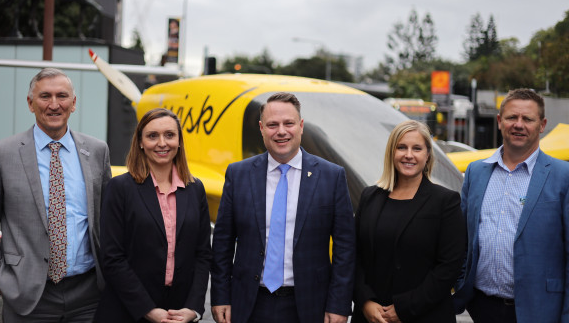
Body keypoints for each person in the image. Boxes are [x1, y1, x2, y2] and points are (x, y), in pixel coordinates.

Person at [0, 68, 112, 322]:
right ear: (30, 103)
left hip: (89, 296)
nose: (54, 105)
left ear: (74, 103)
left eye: (62, 96)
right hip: (27, 296)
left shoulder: (97, 151)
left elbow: (108, 220)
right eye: (45, 96)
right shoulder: (2, 154)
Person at [211, 92, 355, 323]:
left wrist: (339, 305)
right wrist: (220, 296)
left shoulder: (331, 176)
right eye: (272, 125)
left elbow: (345, 248)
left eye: (289, 123)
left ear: (301, 126)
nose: (281, 131)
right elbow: (222, 243)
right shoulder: (238, 174)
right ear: (261, 128)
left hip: (310, 306)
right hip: (248, 304)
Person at [453, 89, 569, 323]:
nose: (518, 124)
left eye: (528, 119)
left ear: (542, 125)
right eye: (512, 117)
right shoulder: (476, 172)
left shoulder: (563, 175)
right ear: (499, 121)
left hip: (541, 311)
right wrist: (461, 282)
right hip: (482, 307)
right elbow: (462, 237)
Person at [94, 108, 212, 323]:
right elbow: (112, 257)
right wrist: (148, 309)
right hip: (127, 311)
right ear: (140, 142)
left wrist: (193, 308)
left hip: (179, 314)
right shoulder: (120, 188)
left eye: (169, 135)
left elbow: (203, 255)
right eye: (152, 136)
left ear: (179, 141)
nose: (162, 143)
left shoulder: (195, 189)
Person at [352, 120, 465, 323]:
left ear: (428, 155)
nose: (409, 155)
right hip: (371, 317)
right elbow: (354, 255)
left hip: (425, 315)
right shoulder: (370, 196)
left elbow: (449, 266)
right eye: (402, 147)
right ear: (391, 152)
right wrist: (365, 301)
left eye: (417, 148)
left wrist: (405, 308)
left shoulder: (445, 201)